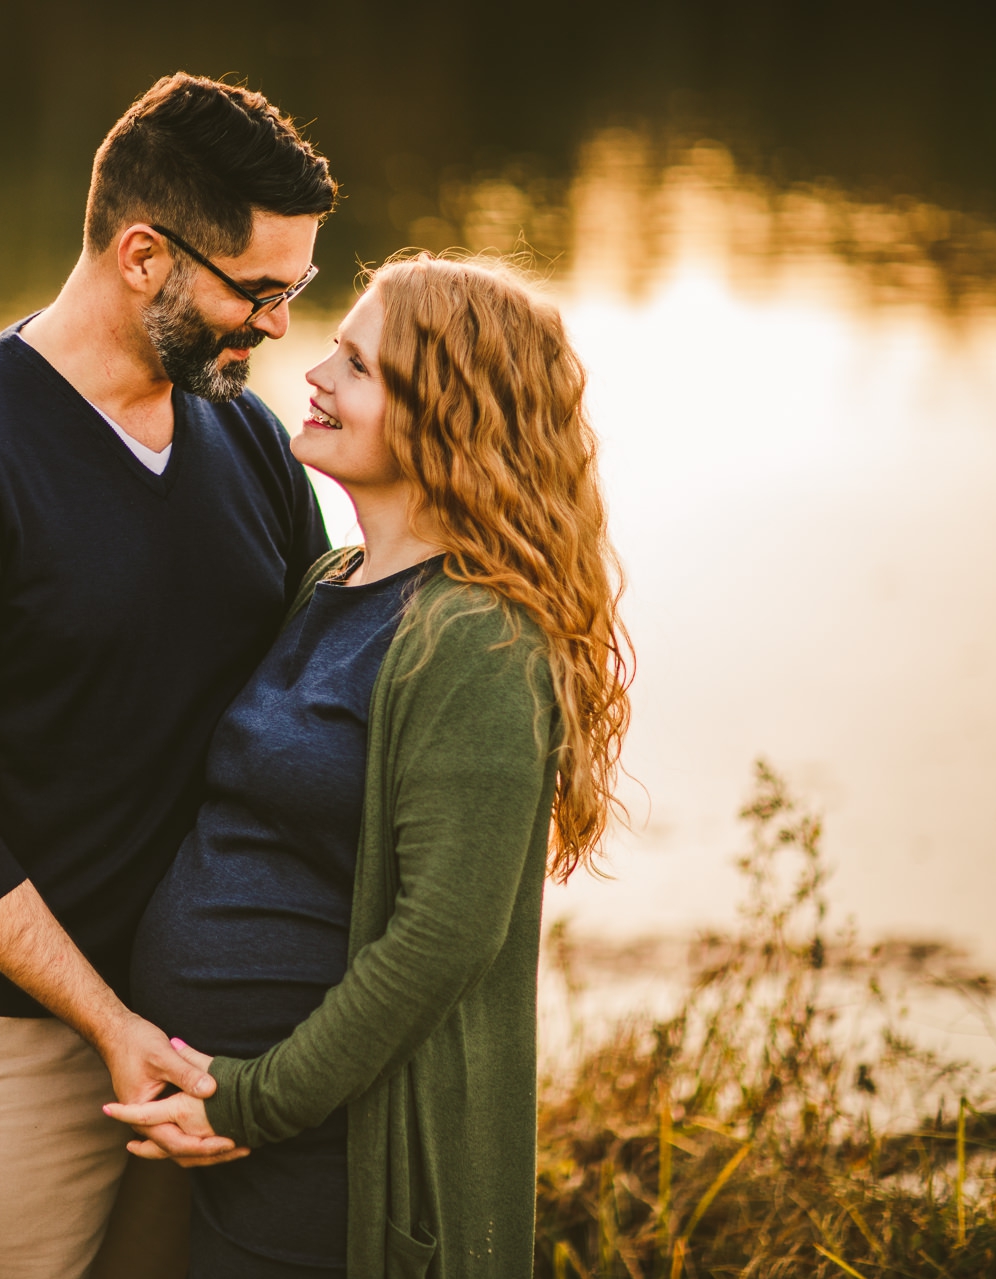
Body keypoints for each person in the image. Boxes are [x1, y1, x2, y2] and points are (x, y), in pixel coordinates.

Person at [0, 73, 336, 1279]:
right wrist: (107, 1022)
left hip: (209, 1028)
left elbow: (324, 670)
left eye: (297, 293)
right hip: (6, 1038)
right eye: (258, 292)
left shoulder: (247, 436)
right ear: (145, 255)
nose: (277, 329)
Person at [108, 253, 633, 1279]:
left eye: (356, 364)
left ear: (446, 412)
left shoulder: (477, 637)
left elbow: (443, 935)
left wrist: (257, 1102)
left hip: (333, 1157)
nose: (314, 374)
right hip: (216, 1126)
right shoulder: (332, 582)